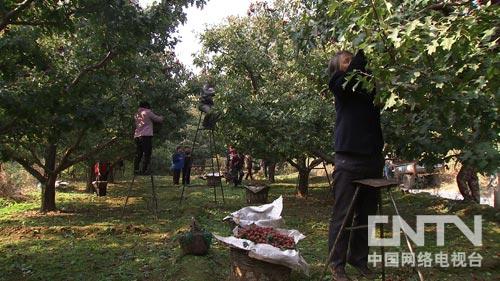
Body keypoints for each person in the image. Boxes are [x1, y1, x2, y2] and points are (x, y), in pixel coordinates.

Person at [327, 49, 384, 281]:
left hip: (372, 158)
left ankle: (359, 259)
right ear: (338, 68)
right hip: (348, 159)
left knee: (367, 216)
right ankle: (336, 264)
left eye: (353, 60)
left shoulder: (367, 88)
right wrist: (364, 50)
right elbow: (348, 79)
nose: (352, 64)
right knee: (343, 215)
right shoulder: (338, 84)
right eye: (346, 62)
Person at [134, 101, 164, 175]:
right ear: (146, 106)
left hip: (137, 136)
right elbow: (158, 119)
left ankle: (136, 170)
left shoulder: (136, 114)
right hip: (146, 136)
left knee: (139, 153)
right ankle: (144, 170)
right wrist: (162, 117)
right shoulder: (147, 112)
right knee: (147, 153)